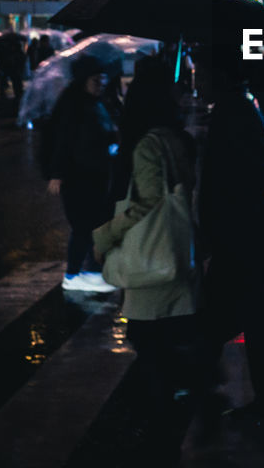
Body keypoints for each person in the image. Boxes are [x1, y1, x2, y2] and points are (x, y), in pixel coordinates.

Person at [93, 58, 203, 464]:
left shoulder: (146, 143)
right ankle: (175, 414)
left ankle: (159, 436)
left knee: (149, 343)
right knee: (166, 342)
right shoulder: (178, 137)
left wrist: (105, 235)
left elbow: (147, 203)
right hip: (179, 251)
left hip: (151, 258)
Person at [199, 57, 264, 416]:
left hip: (240, 230)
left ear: (220, 73)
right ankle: (207, 381)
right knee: (241, 313)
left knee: (242, 314)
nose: (197, 79)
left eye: (202, 70)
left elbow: (232, 178)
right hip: (247, 228)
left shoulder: (233, 111)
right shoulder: (236, 106)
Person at [45, 55, 119, 292]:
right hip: (78, 177)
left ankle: (88, 270)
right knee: (83, 226)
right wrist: (57, 173)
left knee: (92, 225)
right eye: (96, 79)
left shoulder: (97, 103)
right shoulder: (73, 106)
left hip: (95, 174)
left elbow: (103, 132)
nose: (101, 83)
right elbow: (62, 141)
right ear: (83, 80)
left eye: (104, 79)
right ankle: (74, 274)